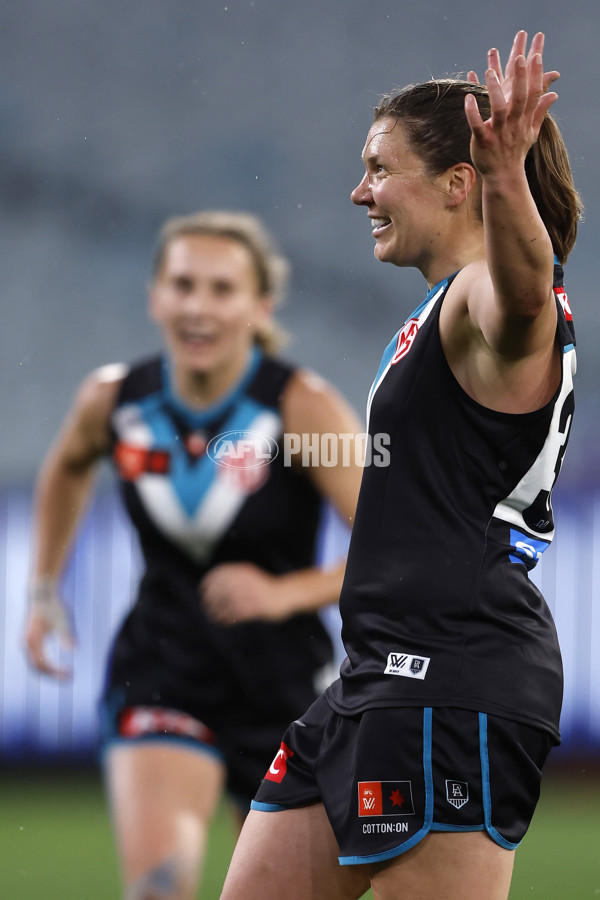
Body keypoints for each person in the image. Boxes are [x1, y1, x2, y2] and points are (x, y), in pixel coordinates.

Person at [219, 30, 582, 900]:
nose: (359, 192)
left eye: (380, 168)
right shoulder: (434, 313)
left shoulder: (487, 302)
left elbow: (528, 299)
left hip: (451, 676)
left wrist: (508, 177)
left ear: (460, 183)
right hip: (375, 675)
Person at [24, 209, 364, 900]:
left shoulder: (302, 408)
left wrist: (284, 593)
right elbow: (65, 468)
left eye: (221, 288)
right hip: (164, 666)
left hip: (286, 687)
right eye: (182, 285)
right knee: (158, 889)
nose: (198, 307)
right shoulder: (115, 401)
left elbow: (392, 545)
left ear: (259, 306)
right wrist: (41, 591)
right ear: (154, 297)